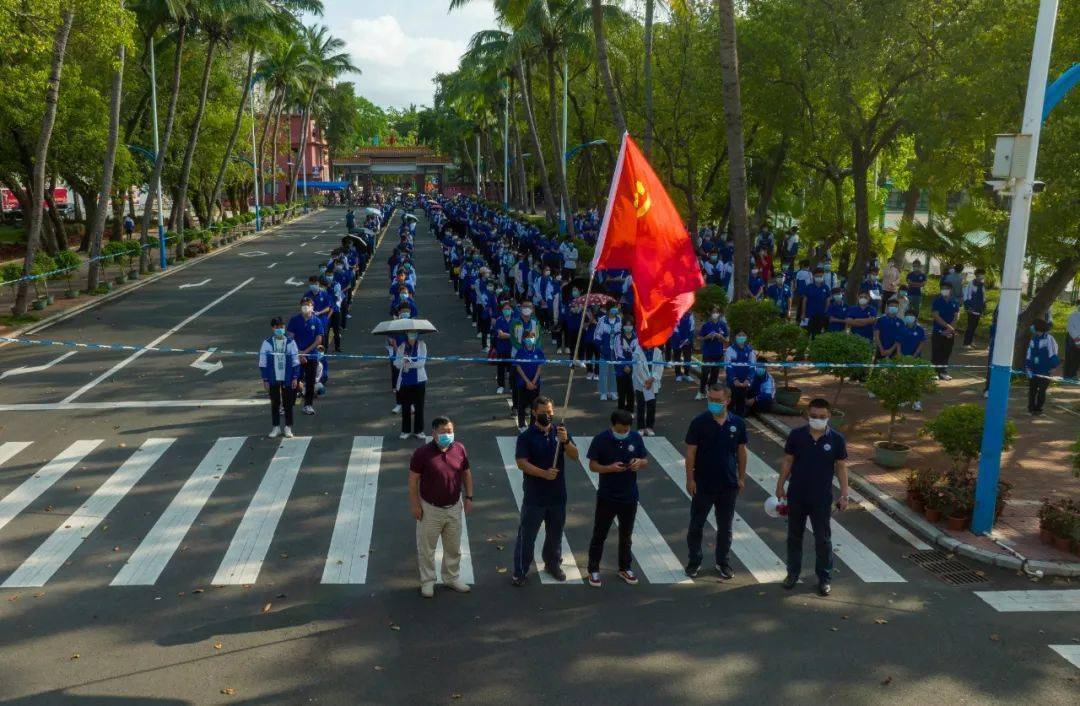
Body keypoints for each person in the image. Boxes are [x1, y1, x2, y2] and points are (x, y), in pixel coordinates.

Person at [775, 398, 849, 597]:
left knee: (823, 540)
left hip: (821, 498)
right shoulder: (796, 436)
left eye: (822, 417)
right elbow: (788, 461)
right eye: (814, 416)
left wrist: (844, 494)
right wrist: (780, 484)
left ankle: (824, 579)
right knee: (794, 537)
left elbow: (841, 467)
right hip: (797, 495)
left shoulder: (837, 440)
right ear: (807, 415)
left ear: (829, 416)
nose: (817, 419)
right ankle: (792, 574)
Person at [512, 397, 580, 585]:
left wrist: (566, 442)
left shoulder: (560, 432)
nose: (548, 415)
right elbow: (521, 463)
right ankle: (520, 570)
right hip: (535, 496)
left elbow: (575, 455)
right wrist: (543, 473)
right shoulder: (526, 437)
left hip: (557, 495)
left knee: (555, 534)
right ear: (534, 412)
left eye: (551, 412)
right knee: (527, 535)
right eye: (544, 412)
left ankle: (552, 563)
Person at [683, 385, 747, 579]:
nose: (713, 403)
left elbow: (741, 451)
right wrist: (690, 479)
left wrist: (741, 478)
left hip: (728, 484)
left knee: (725, 527)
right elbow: (691, 452)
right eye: (710, 399)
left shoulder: (737, 423)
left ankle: (723, 562)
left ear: (727, 401)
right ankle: (694, 562)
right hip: (703, 484)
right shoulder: (699, 422)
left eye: (717, 400)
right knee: (696, 525)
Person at [409, 417, 473, 598]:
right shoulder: (422, 453)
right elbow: (413, 480)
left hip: (454, 507)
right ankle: (428, 581)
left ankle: (451, 578)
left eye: (450, 431)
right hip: (430, 509)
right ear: (434, 434)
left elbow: (466, 474)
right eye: (444, 432)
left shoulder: (460, 449)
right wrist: (415, 504)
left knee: (453, 547)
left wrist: (469, 497)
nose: (448, 435)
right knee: (427, 548)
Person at [585, 409, 648, 587]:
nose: (623, 433)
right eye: (620, 430)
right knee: (600, 534)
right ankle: (593, 569)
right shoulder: (601, 439)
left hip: (629, 496)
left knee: (626, 535)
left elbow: (645, 460)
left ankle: (625, 567)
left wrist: (638, 463)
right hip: (607, 495)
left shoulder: (635, 437)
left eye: (626, 430)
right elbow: (593, 466)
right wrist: (610, 468)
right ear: (613, 426)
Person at [258, 317, 300, 438]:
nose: (280, 329)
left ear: (284, 327)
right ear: (273, 328)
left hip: (287, 377)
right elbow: (262, 362)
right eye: (277, 327)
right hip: (273, 377)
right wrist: (265, 379)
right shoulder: (267, 343)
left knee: (288, 403)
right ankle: (276, 427)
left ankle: (288, 427)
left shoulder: (291, 342)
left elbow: (295, 360)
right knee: (275, 403)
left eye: (281, 327)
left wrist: (295, 377)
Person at [285, 296, 323, 415]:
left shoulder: (317, 321)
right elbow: (290, 337)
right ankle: (287, 406)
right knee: (292, 380)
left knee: (310, 382)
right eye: (303, 305)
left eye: (308, 305)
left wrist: (305, 352)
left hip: (311, 356)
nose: (305, 307)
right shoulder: (294, 320)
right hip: (296, 355)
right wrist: (299, 352)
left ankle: (308, 405)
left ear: (312, 307)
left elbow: (318, 340)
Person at [395, 331, 429, 440]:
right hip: (405, 381)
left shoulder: (422, 345)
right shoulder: (402, 346)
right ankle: (406, 431)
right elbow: (396, 363)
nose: (412, 335)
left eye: (414, 333)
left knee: (419, 407)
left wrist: (410, 363)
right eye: (410, 333)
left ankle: (419, 431)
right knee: (406, 407)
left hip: (419, 381)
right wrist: (403, 362)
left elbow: (421, 363)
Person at [1025, 318, 1060, 415]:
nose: (1031, 327)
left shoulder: (1049, 339)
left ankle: (1038, 409)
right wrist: (1027, 365)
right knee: (1032, 390)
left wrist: (1054, 367)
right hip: (1033, 369)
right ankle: (1031, 408)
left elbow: (1053, 353)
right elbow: (1029, 353)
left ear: (1038, 327)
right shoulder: (1033, 338)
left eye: (1033, 325)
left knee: (1042, 390)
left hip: (1045, 370)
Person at [513, 333, 546, 432]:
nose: (530, 339)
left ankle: (533, 425)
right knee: (521, 404)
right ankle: (522, 425)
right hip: (523, 383)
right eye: (527, 338)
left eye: (532, 337)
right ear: (523, 339)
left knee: (534, 405)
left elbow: (540, 366)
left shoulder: (538, 351)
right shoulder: (520, 351)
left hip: (535, 383)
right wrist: (527, 382)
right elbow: (518, 366)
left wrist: (534, 381)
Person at [632, 339, 665, 436]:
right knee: (641, 405)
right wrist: (645, 381)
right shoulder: (637, 352)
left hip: (653, 383)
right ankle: (641, 427)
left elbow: (660, 367)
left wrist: (652, 379)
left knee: (652, 406)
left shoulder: (658, 352)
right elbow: (637, 370)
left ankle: (649, 427)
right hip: (641, 384)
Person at [930, 282, 961, 380]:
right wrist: (947, 326)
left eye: (946, 288)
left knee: (946, 351)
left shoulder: (954, 301)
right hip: (938, 331)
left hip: (950, 332)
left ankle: (943, 372)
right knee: (936, 351)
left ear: (951, 290)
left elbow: (957, 316)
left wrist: (950, 328)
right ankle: (934, 372)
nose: (944, 290)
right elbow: (935, 315)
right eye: (942, 288)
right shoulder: (937, 301)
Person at [697, 305, 728, 400]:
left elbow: (726, 340)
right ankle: (701, 391)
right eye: (713, 312)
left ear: (719, 314)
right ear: (711, 314)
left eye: (717, 312)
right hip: (707, 353)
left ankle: (710, 391)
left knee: (715, 375)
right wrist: (707, 337)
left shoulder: (722, 325)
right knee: (705, 372)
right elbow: (699, 337)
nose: (715, 314)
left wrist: (720, 337)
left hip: (718, 353)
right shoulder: (706, 325)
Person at [593, 305, 622, 401]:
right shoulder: (602, 320)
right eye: (612, 308)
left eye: (616, 308)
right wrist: (601, 347)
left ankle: (613, 392)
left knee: (614, 373)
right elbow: (597, 335)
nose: (614, 310)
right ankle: (603, 392)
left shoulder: (620, 320)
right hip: (604, 352)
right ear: (608, 310)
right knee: (603, 372)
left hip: (616, 352)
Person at [724, 331, 756, 416]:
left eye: (743, 335)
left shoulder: (750, 350)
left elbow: (752, 367)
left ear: (746, 337)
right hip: (732, 383)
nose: (741, 337)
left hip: (745, 383)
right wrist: (734, 379)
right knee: (730, 404)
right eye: (739, 335)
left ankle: (739, 422)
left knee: (741, 405)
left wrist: (748, 379)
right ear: (735, 336)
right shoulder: (730, 350)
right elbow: (728, 366)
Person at [613, 320, 637, 412]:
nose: (628, 327)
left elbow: (637, 354)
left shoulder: (636, 338)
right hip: (620, 369)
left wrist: (630, 367)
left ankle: (630, 412)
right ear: (623, 326)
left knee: (631, 392)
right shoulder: (618, 337)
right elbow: (617, 353)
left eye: (630, 325)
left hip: (632, 369)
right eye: (626, 325)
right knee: (622, 393)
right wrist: (624, 366)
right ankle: (620, 413)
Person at [801, 268, 832, 336]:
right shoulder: (809, 287)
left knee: (817, 333)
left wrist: (826, 310)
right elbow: (804, 301)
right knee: (806, 333)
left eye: (820, 276)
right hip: (809, 314)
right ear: (814, 276)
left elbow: (828, 300)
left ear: (823, 277)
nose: (819, 278)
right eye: (817, 276)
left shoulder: (826, 287)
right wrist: (803, 313)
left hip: (821, 314)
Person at [493, 302, 515, 394]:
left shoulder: (515, 321)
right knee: (500, 368)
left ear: (511, 310)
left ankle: (511, 386)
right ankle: (501, 386)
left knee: (512, 369)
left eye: (509, 309)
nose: (507, 311)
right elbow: (500, 334)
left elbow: (516, 335)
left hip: (512, 349)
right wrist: (511, 335)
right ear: (502, 310)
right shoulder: (499, 320)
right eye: (505, 309)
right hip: (501, 348)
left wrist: (507, 335)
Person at [962, 269, 986, 347]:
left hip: (978, 308)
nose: (982, 276)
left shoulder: (982, 285)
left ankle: (970, 341)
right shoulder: (971, 284)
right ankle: (966, 343)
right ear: (977, 275)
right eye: (981, 274)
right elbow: (966, 296)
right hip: (971, 308)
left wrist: (983, 306)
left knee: (974, 325)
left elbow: (983, 296)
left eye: (983, 274)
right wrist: (967, 307)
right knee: (970, 325)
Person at [1067, 303, 1080, 380]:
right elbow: (1070, 328)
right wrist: (1077, 339)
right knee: (1073, 358)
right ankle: (1071, 375)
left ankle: (1071, 374)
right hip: (1073, 339)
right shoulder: (1073, 315)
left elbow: (1070, 328)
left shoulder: (1072, 315)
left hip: (1074, 338)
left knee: (1074, 358)